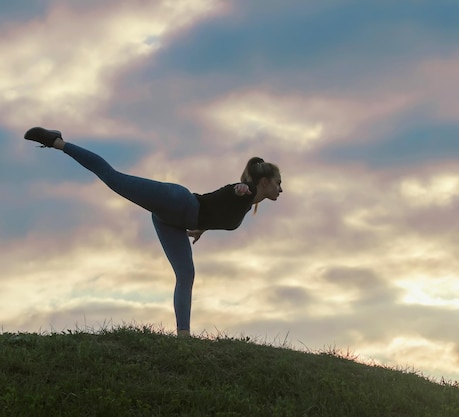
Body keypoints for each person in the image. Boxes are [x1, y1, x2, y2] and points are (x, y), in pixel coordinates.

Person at [24, 127, 282, 337]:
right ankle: (58, 142)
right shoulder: (244, 193)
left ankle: (183, 337)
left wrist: (201, 228)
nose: (281, 189)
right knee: (114, 178)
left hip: (171, 222)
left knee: (186, 274)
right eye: (278, 183)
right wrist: (241, 190)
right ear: (264, 182)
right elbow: (233, 193)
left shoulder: (247, 207)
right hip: (177, 201)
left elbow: (217, 207)